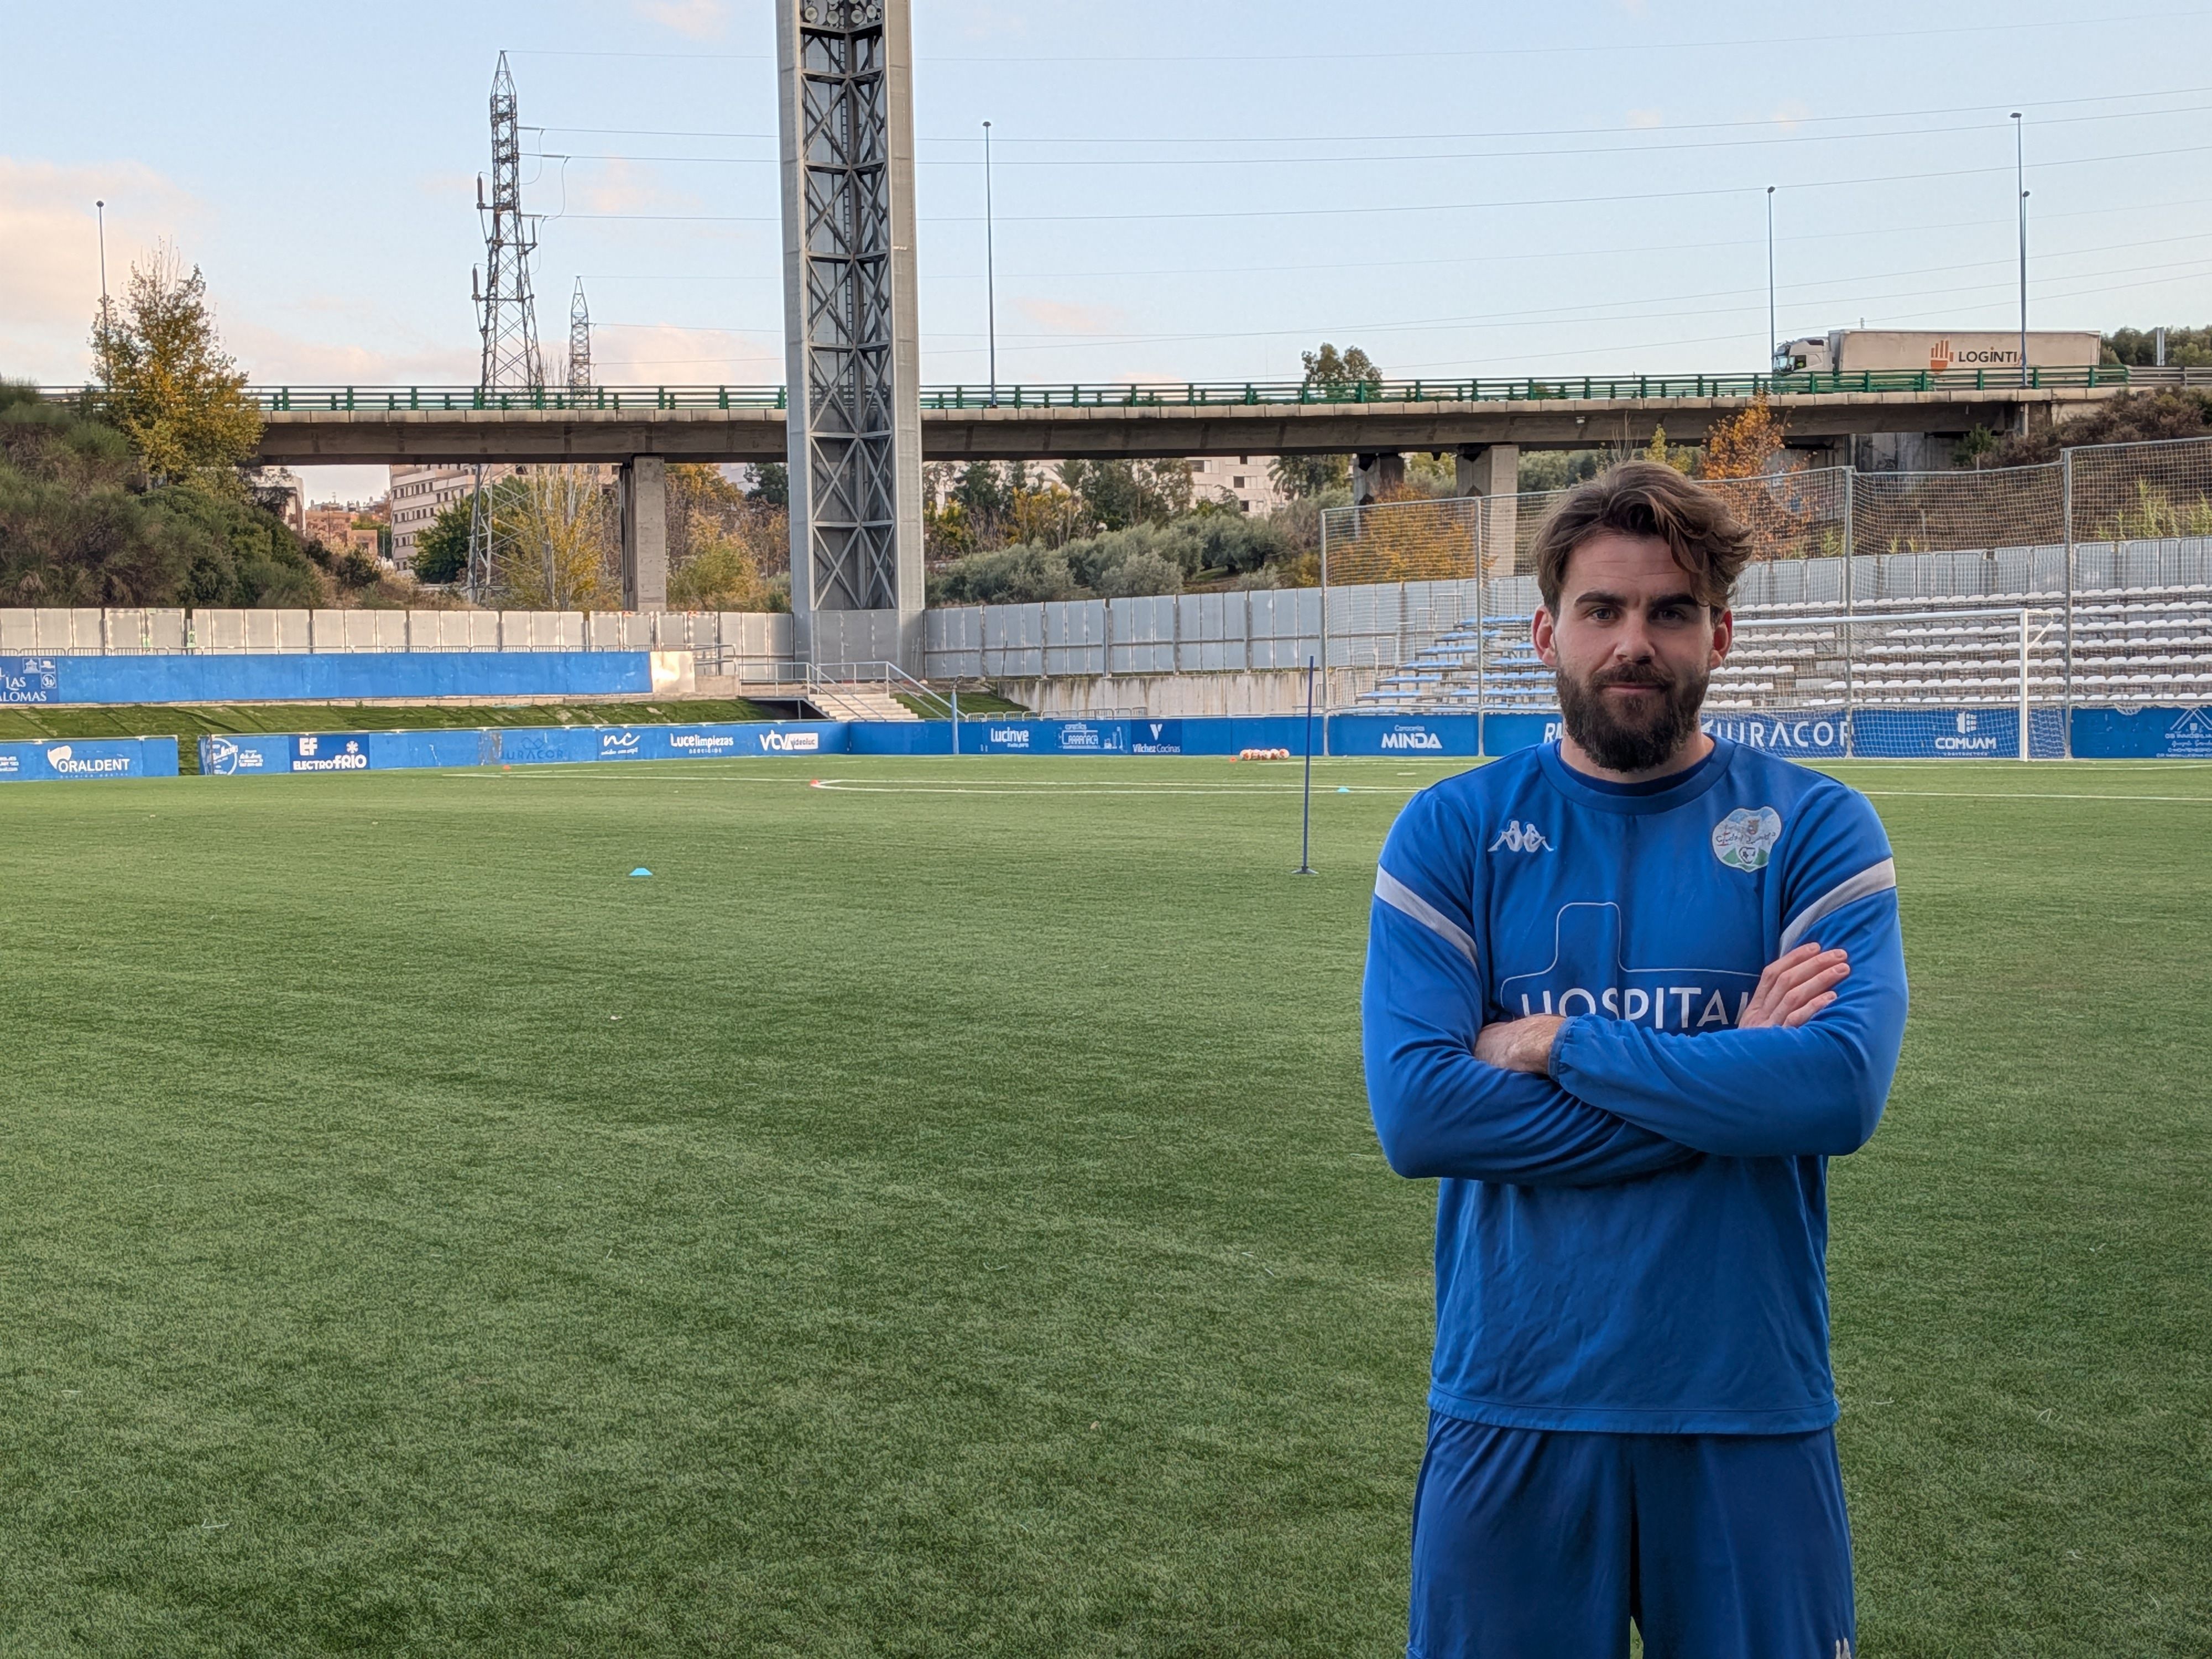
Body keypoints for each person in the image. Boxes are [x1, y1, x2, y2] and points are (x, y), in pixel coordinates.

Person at [1361, 462, 1907, 1659]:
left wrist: (1558, 1043)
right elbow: (1420, 1117)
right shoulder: (1449, 830)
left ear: (1717, 632)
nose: (1633, 644)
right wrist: (1729, 1085)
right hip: (1513, 1397)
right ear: (1546, 630)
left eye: (1666, 613)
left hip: (1744, 1404)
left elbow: (1832, 1090)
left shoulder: (1817, 828)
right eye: (1602, 612)